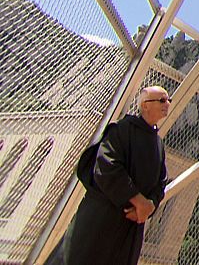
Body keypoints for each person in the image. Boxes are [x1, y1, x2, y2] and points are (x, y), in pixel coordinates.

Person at [62, 86, 170, 265]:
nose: (167, 104)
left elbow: (161, 182)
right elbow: (106, 166)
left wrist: (149, 206)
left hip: (131, 228)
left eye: (168, 100)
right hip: (101, 221)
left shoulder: (158, 144)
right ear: (145, 105)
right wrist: (138, 200)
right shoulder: (122, 129)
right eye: (162, 100)